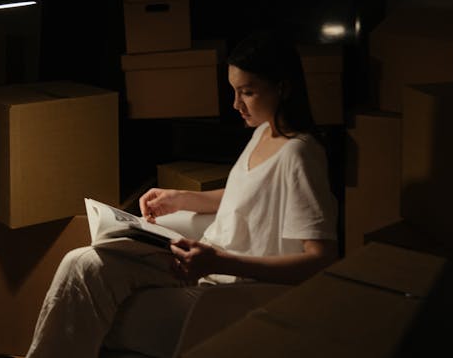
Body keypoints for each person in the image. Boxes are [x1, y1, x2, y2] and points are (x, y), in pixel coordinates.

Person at [26, 30, 338, 358]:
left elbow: (321, 260)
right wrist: (180, 197)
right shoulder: (262, 131)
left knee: (97, 305)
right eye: (234, 91)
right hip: (203, 261)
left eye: (247, 92)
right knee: (82, 263)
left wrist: (221, 261)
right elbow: (246, 196)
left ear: (283, 87)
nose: (236, 104)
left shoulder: (300, 155)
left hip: (232, 289)